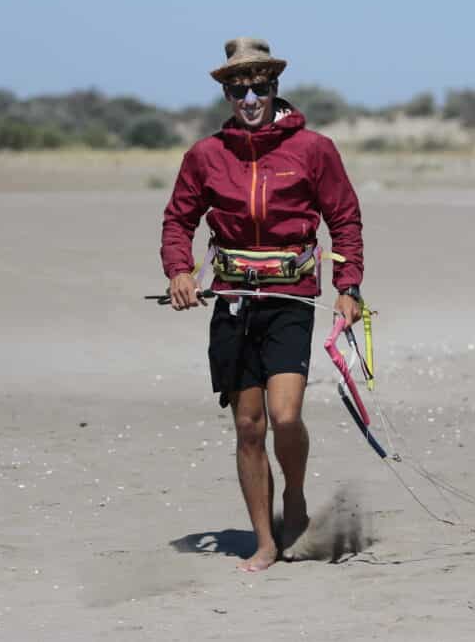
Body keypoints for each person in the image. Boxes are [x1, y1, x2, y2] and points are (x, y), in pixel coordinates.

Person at [160, 38, 364, 572]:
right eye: (238, 89)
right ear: (227, 94)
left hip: (291, 296)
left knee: (285, 414)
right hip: (231, 301)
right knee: (249, 427)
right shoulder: (206, 155)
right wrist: (179, 271)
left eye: (260, 87)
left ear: (275, 88)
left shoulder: (314, 150)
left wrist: (348, 285)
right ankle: (265, 540)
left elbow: (344, 218)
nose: (250, 98)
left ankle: (293, 495)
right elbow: (178, 219)